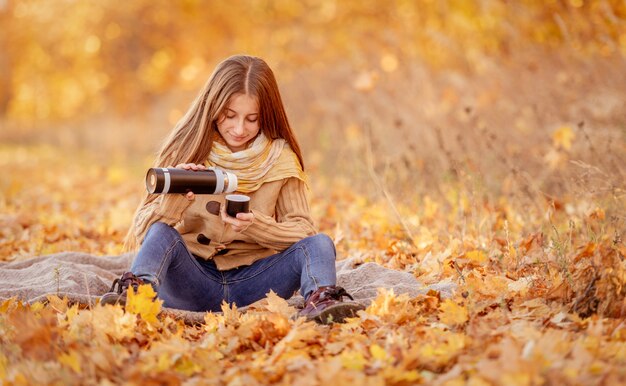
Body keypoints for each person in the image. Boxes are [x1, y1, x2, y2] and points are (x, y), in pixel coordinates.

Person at [100, 55, 363, 323]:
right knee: (160, 232)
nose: (239, 129)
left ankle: (322, 303)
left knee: (319, 244)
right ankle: (137, 295)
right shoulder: (186, 147)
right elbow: (144, 233)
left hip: (257, 285)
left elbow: (303, 230)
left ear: (267, 115)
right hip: (189, 280)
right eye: (229, 115)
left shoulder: (281, 158)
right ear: (213, 107)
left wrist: (255, 225)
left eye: (252, 119)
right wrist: (175, 201)